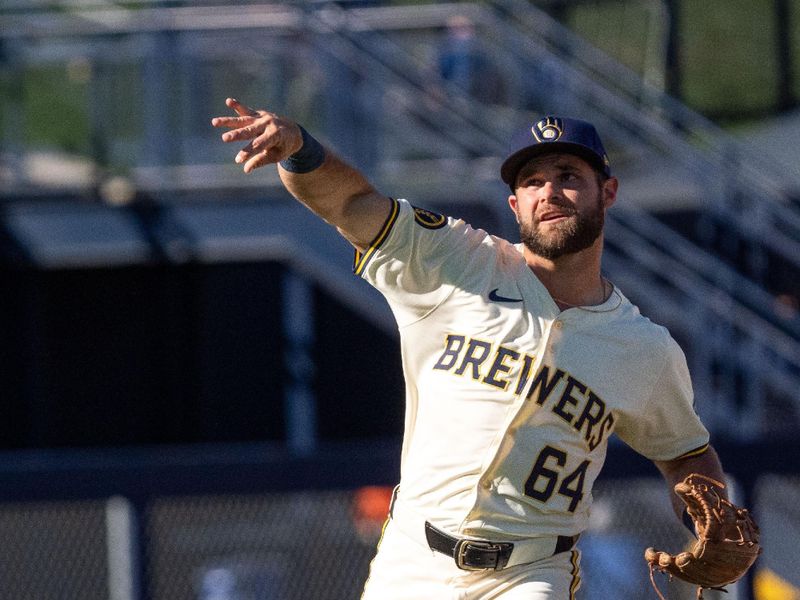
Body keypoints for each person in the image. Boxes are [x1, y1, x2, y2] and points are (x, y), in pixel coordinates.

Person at [211, 100, 731, 599]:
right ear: (515, 204)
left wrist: (709, 520)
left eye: (569, 176)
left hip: (530, 572)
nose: (550, 191)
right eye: (532, 181)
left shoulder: (644, 349)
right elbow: (351, 204)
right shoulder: (456, 262)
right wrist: (302, 149)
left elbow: (684, 452)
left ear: (608, 191)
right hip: (414, 554)